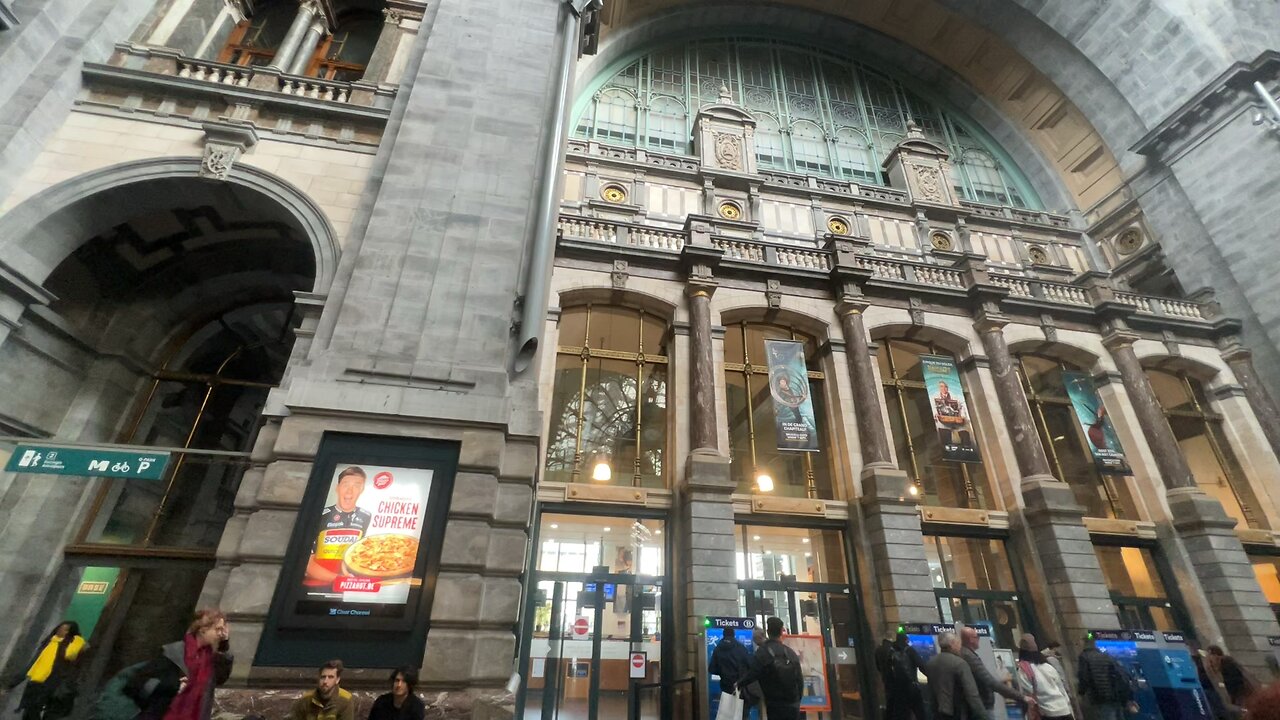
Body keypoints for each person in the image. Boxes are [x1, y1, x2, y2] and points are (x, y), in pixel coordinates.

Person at [125, 609, 233, 720]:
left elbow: (221, 678)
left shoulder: (210, 658)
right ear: (203, 629)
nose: (221, 634)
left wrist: (224, 644)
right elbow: (138, 683)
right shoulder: (175, 652)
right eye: (217, 629)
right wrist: (174, 686)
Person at [306, 467, 372, 585]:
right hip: (315, 587)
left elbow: (362, 557)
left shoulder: (366, 517)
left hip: (348, 587)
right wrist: (339, 579)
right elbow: (306, 563)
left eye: (356, 486)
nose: (349, 491)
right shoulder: (320, 515)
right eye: (346, 485)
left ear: (362, 490)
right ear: (337, 488)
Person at [735, 617, 803, 720]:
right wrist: (797, 700)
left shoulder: (763, 652)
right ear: (781, 631)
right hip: (792, 703)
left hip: (774, 703)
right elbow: (799, 680)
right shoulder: (790, 652)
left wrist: (739, 683)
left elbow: (753, 673)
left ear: (767, 632)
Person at [18, 621, 86, 720]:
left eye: (66, 630)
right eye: (61, 629)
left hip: (57, 689)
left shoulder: (74, 646)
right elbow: (34, 663)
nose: (62, 632)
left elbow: (70, 656)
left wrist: (76, 642)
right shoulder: (50, 643)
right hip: (39, 684)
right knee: (31, 712)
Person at [958, 626, 1025, 714]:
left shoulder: (968, 654)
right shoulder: (969, 657)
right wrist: (1019, 696)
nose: (979, 639)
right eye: (977, 637)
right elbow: (989, 681)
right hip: (982, 704)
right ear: (971, 639)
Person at [927, 631, 989, 720]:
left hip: (937, 713)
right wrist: (983, 716)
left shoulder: (931, 663)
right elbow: (972, 695)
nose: (960, 647)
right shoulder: (960, 664)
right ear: (952, 644)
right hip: (958, 712)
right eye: (958, 643)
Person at [1016, 635, 1074, 720]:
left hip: (1047, 712)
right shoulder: (1048, 666)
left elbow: (1028, 693)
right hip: (1064, 709)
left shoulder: (1023, 670)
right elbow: (1061, 688)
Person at [1076, 637, 1135, 720]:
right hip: (1115, 695)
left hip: (1100, 695)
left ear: (1083, 644)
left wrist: (1080, 693)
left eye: (1078, 644)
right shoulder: (1106, 656)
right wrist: (1127, 697)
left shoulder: (1084, 657)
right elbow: (1121, 675)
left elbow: (1084, 677)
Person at [875, 630, 928, 720]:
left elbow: (883, 670)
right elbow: (922, 666)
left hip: (897, 690)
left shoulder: (889, 652)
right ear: (906, 640)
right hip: (912, 687)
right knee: (920, 713)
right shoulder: (910, 650)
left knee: (901, 714)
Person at [709, 627, 751, 715]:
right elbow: (749, 665)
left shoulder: (718, 648)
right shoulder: (740, 647)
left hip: (725, 685)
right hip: (739, 685)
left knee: (728, 714)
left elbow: (712, 668)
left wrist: (722, 672)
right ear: (734, 635)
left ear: (723, 635)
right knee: (741, 713)